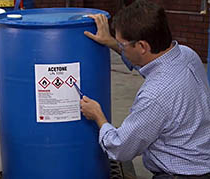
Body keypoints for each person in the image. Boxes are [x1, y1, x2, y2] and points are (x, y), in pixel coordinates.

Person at [81, 0, 210, 178]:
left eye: (122, 45)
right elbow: (151, 67)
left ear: (142, 46)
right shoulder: (187, 55)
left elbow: (120, 148)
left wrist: (98, 116)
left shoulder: (154, 97)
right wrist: (110, 42)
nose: (120, 48)